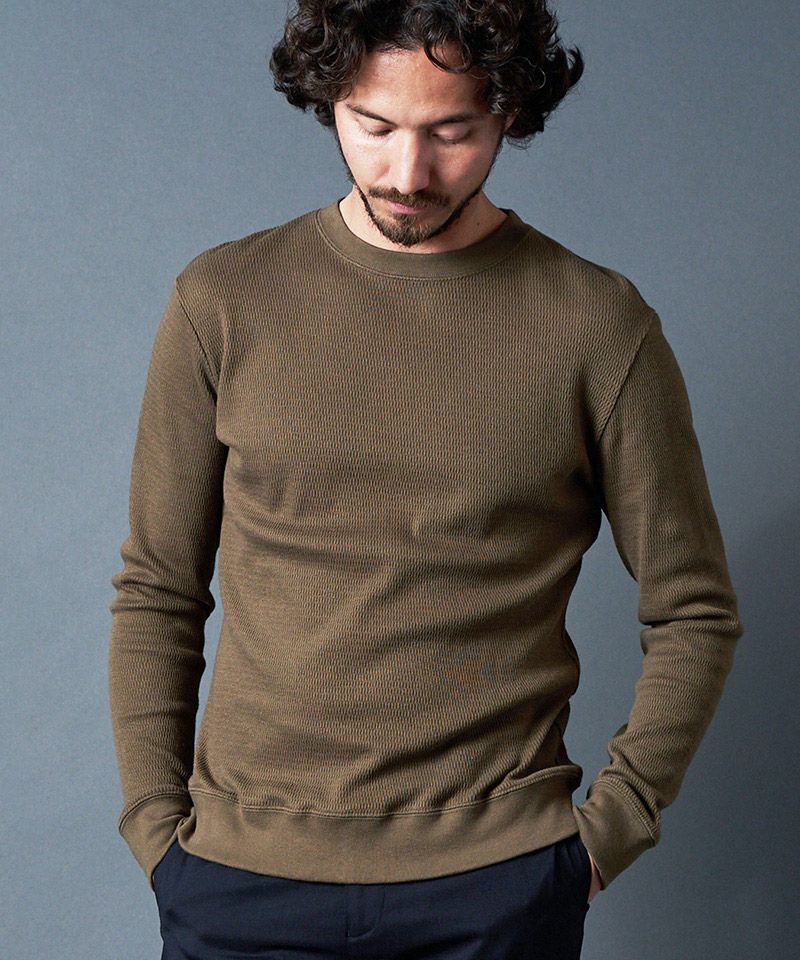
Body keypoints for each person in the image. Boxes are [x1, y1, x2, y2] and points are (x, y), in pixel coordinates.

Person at [107, 2, 744, 958]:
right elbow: (160, 589)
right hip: (239, 879)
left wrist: (606, 836)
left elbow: (694, 608)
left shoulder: (598, 325)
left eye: (452, 132)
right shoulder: (224, 300)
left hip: (497, 886)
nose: (408, 174)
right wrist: (158, 830)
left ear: (508, 113)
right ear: (328, 100)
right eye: (374, 127)